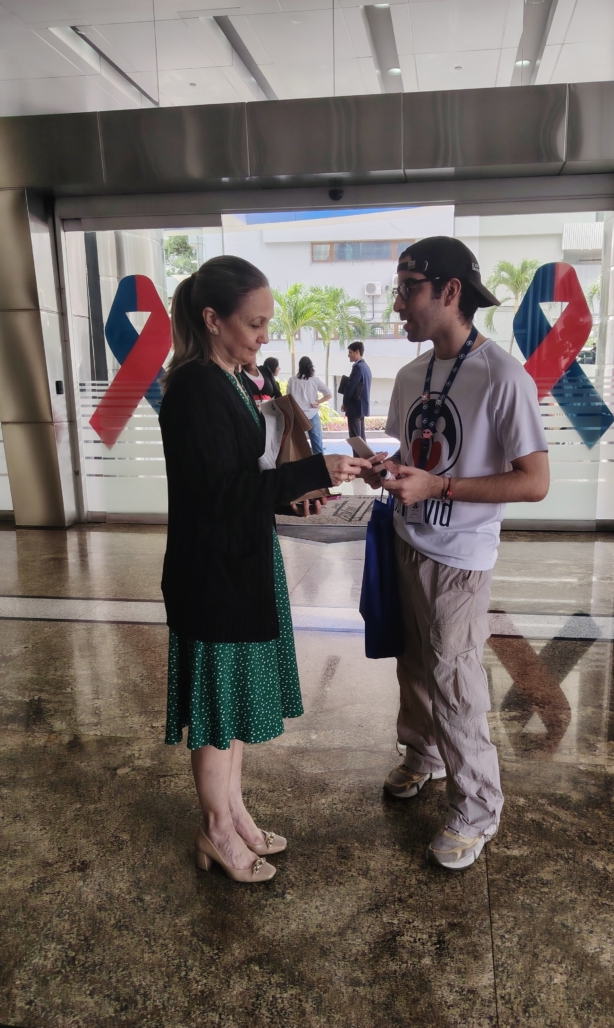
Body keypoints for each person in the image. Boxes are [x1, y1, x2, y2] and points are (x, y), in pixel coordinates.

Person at [159, 256, 369, 884]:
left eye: (266, 322)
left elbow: (242, 481)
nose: (264, 335)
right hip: (213, 572)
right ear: (212, 319)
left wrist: (293, 492)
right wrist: (308, 473)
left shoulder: (229, 379)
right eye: (254, 323)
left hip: (239, 561)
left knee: (231, 710)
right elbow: (218, 493)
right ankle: (216, 828)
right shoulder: (195, 388)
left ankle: (235, 815)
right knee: (218, 714)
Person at [365, 236, 549, 870]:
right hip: (405, 538)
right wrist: (387, 470)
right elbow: (412, 456)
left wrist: (438, 488)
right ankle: (424, 754)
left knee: (454, 678)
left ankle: (478, 806)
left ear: (449, 292)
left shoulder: (502, 375)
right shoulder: (410, 375)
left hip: (460, 556)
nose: (398, 304)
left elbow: (534, 481)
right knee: (414, 662)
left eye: (408, 289)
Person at [287, 357, 331, 455]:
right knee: (317, 445)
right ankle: (319, 464)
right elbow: (328, 394)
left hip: (297, 416)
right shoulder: (315, 380)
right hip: (312, 414)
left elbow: (288, 399)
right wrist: (318, 402)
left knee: (297, 445)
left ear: (299, 366)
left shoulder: (292, 380)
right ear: (311, 367)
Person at [342, 341, 372, 441]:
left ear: (357, 352)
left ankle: (358, 453)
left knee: (356, 439)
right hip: (361, 407)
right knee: (361, 439)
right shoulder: (366, 367)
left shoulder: (357, 367)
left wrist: (344, 403)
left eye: (350, 352)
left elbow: (350, 388)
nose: (348, 355)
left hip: (354, 408)